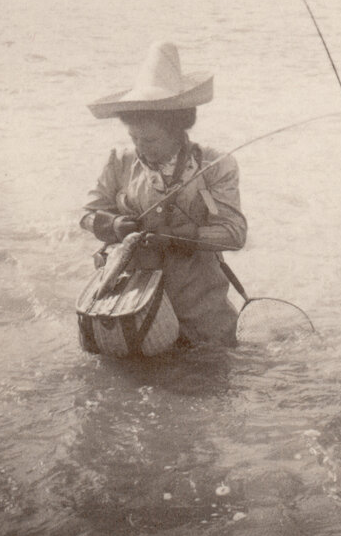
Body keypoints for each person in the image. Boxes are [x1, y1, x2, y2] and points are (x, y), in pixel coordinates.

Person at [79, 42, 248, 346]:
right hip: (131, 308)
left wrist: (177, 237)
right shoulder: (120, 161)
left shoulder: (215, 164)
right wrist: (113, 226)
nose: (142, 148)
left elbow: (234, 234)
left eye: (152, 140)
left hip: (201, 313)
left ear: (177, 130)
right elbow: (86, 217)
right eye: (135, 138)